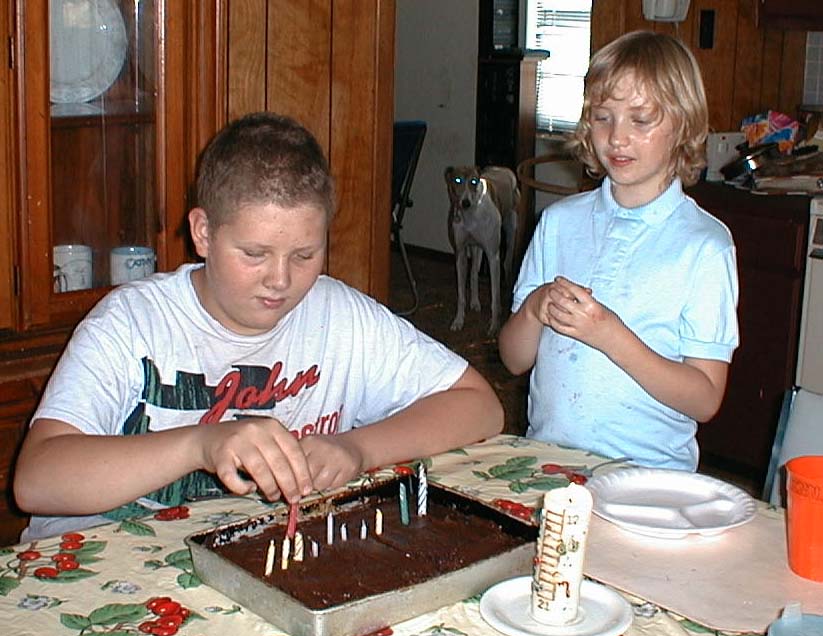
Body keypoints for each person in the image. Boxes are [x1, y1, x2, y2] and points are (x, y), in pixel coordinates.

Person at [14, 112, 504, 541]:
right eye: (254, 254)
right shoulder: (130, 322)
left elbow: (479, 407)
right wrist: (200, 444)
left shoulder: (340, 317)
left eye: (305, 255)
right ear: (203, 233)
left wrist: (356, 448)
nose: (281, 280)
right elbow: (37, 479)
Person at [498, 31, 739, 471]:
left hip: (646, 475)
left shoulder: (705, 247)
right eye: (603, 118)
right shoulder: (558, 224)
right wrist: (534, 310)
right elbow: (514, 360)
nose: (617, 138)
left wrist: (608, 334)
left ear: (682, 125)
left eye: (641, 120)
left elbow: (704, 399)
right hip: (546, 465)